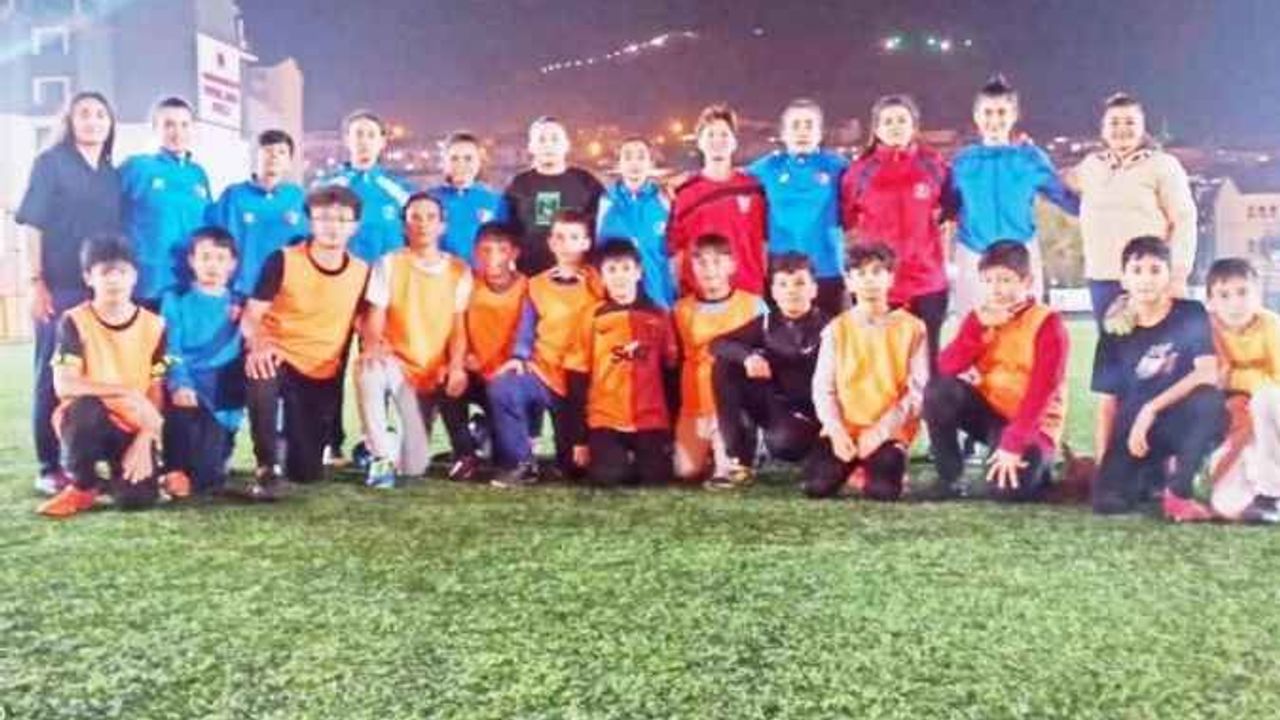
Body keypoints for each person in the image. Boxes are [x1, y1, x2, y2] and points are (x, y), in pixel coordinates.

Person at [17, 90, 123, 496]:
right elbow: (32, 224)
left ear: (110, 124)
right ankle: (49, 466)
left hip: (100, 292)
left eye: (101, 114)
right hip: (59, 288)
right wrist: (35, 281)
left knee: (94, 376)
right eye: (84, 114)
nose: (93, 121)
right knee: (53, 374)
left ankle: (85, 460)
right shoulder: (51, 164)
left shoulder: (111, 173)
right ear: (69, 121)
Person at [240, 186, 371, 497]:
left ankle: (290, 445)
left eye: (342, 219)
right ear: (311, 221)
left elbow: (363, 322)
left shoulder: (361, 271)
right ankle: (266, 466)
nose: (332, 226)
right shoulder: (283, 260)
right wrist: (259, 344)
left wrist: (377, 346)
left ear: (354, 226)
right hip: (279, 356)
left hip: (320, 370)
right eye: (324, 218)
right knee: (262, 371)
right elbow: (251, 315)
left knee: (306, 473)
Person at [923, 241, 1070, 502]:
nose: (996, 289)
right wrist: (977, 329)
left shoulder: (1048, 323)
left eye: (1005, 280)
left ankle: (1040, 466)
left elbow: (1042, 393)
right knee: (939, 391)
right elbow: (944, 368)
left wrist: (1013, 443)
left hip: (1033, 425)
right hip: (991, 413)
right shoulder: (980, 317)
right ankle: (950, 476)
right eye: (989, 280)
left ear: (1027, 281)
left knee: (1007, 492)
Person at [1091, 236, 1224, 521]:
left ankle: (1179, 491)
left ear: (1168, 274)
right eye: (1137, 270)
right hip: (1133, 433)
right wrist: (1103, 465)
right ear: (1124, 279)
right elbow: (1107, 404)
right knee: (1108, 503)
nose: (1146, 279)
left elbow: (1207, 371)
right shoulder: (1113, 331)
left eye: (1155, 270)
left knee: (1209, 399)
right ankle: (1153, 475)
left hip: (1177, 419)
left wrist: (1151, 409)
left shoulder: (1190, 313)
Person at [37, 235, 168, 518]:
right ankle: (82, 484)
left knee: (136, 501)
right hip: (90, 418)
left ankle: (115, 481)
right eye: (105, 272)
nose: (114, 280)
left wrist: (147, 435)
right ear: (89, 278)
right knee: (84, 408)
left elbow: (155, 387)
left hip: (132, 424)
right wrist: (124, 391)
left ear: (134, 276)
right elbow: (65, 384)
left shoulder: (155, 325)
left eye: (121, 272)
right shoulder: (74, 321)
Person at [357, 193, 474, 488]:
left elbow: (459, 328)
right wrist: (374, 346)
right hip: (398, 367)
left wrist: (456, 366)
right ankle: (380, 457)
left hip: (436, 370)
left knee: (414, 465)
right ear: (404, 225)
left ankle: (467, 436)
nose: (423, 224)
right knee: (367, 368)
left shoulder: (459, 270)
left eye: (431, 217)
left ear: (442, 226)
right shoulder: (388, 264)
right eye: (415, 218)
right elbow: (374, 318)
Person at [487, 210, 602, 488]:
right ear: (551, 243)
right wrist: (518, 356)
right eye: (559, 237)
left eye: (573, 237)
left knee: (573, 469)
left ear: (586, 243)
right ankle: (522, 463)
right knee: (503, 387)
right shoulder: (537, 284)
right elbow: (527, 325)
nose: (566, 244)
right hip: (544, 372)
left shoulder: (600, 282)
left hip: (583, 380)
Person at [804, 243, 927, 500]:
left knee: (883, 492)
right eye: (860, 274)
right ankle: (856, 466)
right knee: (817, 487)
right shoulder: (836, 329)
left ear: (890, 278)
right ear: (849, 282)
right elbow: (823, 387)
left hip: (889, 431)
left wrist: (879, 433)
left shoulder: (913, 328)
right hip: (846, 429)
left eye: (877, 272)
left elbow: (917, 391)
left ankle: (884, 465)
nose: (869, 280)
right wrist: (836, 431)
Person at [950, 75, 1078, 316]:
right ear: (976, 116)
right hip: (973, 254)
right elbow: (946, 204)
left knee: (1027, 328)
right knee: (972, 330)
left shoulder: (1031, 158)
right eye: (988, 113)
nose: (994, 120)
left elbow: (1065, 198)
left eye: (1001, 112)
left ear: (1014, 115)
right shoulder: (963, 161)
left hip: (1021, 253)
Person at [840, 94, 951, 370]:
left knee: (928, 367)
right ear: (876, 129)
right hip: (879, 286)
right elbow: (847, 220)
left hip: (927, 283)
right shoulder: (859, 172)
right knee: (882, 367)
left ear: (914, 125)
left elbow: (950, 210)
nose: (895, 126)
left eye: (902, 120)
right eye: (887, 121)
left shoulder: (933, 165)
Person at [1069, 93, 1197, 325]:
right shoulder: (1090, 166)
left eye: (1130, 122)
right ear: (1103, 129)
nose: (1122, 129)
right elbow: (1058, 183)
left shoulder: (1163, 165)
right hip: (1103, 279)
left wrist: (1178, 274)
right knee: (1112, 345)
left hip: (1150, 278)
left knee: (1156, 346)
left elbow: (1184, 220)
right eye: (1114, 122)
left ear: (1142, 128)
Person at [566, 239, 678, 487]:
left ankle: (643, 457)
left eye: (626, 269)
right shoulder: (591, 316)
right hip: (605, 419)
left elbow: (671, 373)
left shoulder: (659, 315)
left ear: (638, 272)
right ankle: (615, 458)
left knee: (655, 479)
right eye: (612, 270)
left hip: (651, 419)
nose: (620, 277)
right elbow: (577, 377)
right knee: (608, 477)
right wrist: (579, 439)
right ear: (601, 276)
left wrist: (672, 430)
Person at [711, 252, 826, 483]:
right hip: (773, 404)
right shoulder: (766, 323)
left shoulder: (830, 328)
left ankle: (815, 450)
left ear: (814, 289)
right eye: (783, 284)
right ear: (773, 292)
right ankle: (738, 459)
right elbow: (718, 343)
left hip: (811, 413)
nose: (791, 291)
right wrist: (748, 357)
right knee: (725, 365)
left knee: (784, 444)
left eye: (799, 283)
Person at [672, 234, 767, 489]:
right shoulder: (681, 310)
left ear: (731, 265)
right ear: (692, 267)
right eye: (701, 262)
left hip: (731, 408)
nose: (709, 269)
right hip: (695, 406)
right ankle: (708, 451)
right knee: (685, 471)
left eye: (717, 261)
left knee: (728, 475)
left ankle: (749, 440)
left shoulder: (753, 306)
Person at [160, 227, 245, 495]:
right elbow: (170, 347)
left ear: (232, 264)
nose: (212, 265)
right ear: (191, 261)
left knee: (208, 478)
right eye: (205, 257)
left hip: (221, 395)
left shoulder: (240, 304)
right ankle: (172, 467)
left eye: (220, 258)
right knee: (184, 464)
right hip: (185, 387)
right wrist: (179, 383)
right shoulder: (174, 298)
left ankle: (217, 452)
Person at [748, 98, 849, 315]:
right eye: (795, 125)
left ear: (820, 133)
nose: (802, 131)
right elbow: (728, 182)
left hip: (825, 270)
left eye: (809, 125)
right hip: (782, 274)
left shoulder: (838, 167)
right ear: (783, 134)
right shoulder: (767, 169)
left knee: (828, 333)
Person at [1204, 258, 1280, 524]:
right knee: (1226, 505)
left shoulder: (1271, 325)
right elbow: (1213, 379)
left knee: (1265, 399)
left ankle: (1271, 494)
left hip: (1272, 409)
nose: (1235, 303)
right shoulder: (1208, 329)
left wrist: (1236, 377)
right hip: (1238, 418)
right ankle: (1259, 492)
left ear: (1258, 295)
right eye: (1224, 296)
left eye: (1243, 292)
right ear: (1211, 302)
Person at [120, 96, 212, 305]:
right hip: (147, 284)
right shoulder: (137, 167)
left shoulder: (198, 174)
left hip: (190, 283)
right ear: (155, 128)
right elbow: (106, 213)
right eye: (169, 124)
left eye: (184, 125)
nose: (177, 132)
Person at [669, 104, 768, 295]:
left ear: (734, 142)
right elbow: (677, 253)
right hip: (700, 298)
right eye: (711, 135)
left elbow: (765, 243)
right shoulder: (683, 194)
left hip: (747, 295)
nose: (717, 141)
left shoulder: (754, 189)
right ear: (699, 142)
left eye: (724, 135)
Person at [458, 222, 529, 474]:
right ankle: (464, 450)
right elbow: (455, 324)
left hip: (507, 378)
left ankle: (488, 430)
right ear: (476, 252)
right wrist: (463, 356)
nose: (493, 257)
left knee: (503, 458)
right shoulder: (468, 283)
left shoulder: (527, 287)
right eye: (486, 250)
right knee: (445, 378)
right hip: (476, 371)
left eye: (502, 249)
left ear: (514, 253)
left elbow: (531, 335)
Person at [206, 129, 309, 297]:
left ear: (289, 162)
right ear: (255, 157)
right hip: (244, 291)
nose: (274, 156)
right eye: (268, 150)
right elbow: (213, 240)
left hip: (288, 291)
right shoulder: (233, 195)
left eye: (281, 152)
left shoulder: (298, 197)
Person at [312, 109, 415, 263]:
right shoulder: (326, 187)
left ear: (382, 142)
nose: (364, 142)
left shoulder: (401, 189)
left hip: (390, 273)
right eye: (358, 134)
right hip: (341, 272)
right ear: (347, 140)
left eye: (371, 135)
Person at [504, 117, 604, 275]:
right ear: (531, 146)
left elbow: (601, 228)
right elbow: (506, 230)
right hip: (530, 275)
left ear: (566, 145)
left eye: (554, 139)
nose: (548, 145)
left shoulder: (585, 182)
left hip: (578, 277)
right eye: (542, 139)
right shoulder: (519, 184)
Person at [596, 137, 676, 308]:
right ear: (619, 163)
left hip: (659, 299)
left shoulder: (665, 200)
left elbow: (675, 253)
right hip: (617, 303)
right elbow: (599, 255)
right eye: (628, 157)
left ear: (650, 163)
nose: (634, 163)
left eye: (641, 157)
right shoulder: (606, 202)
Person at [430, 131, 508, 265]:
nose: (461, 164)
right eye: (454, 158)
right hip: (441, 275)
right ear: (444, 163)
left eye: (468, 158)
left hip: (481, 275)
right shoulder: (429, 200)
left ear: (479, 162)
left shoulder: (496, 201)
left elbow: (505, 246)